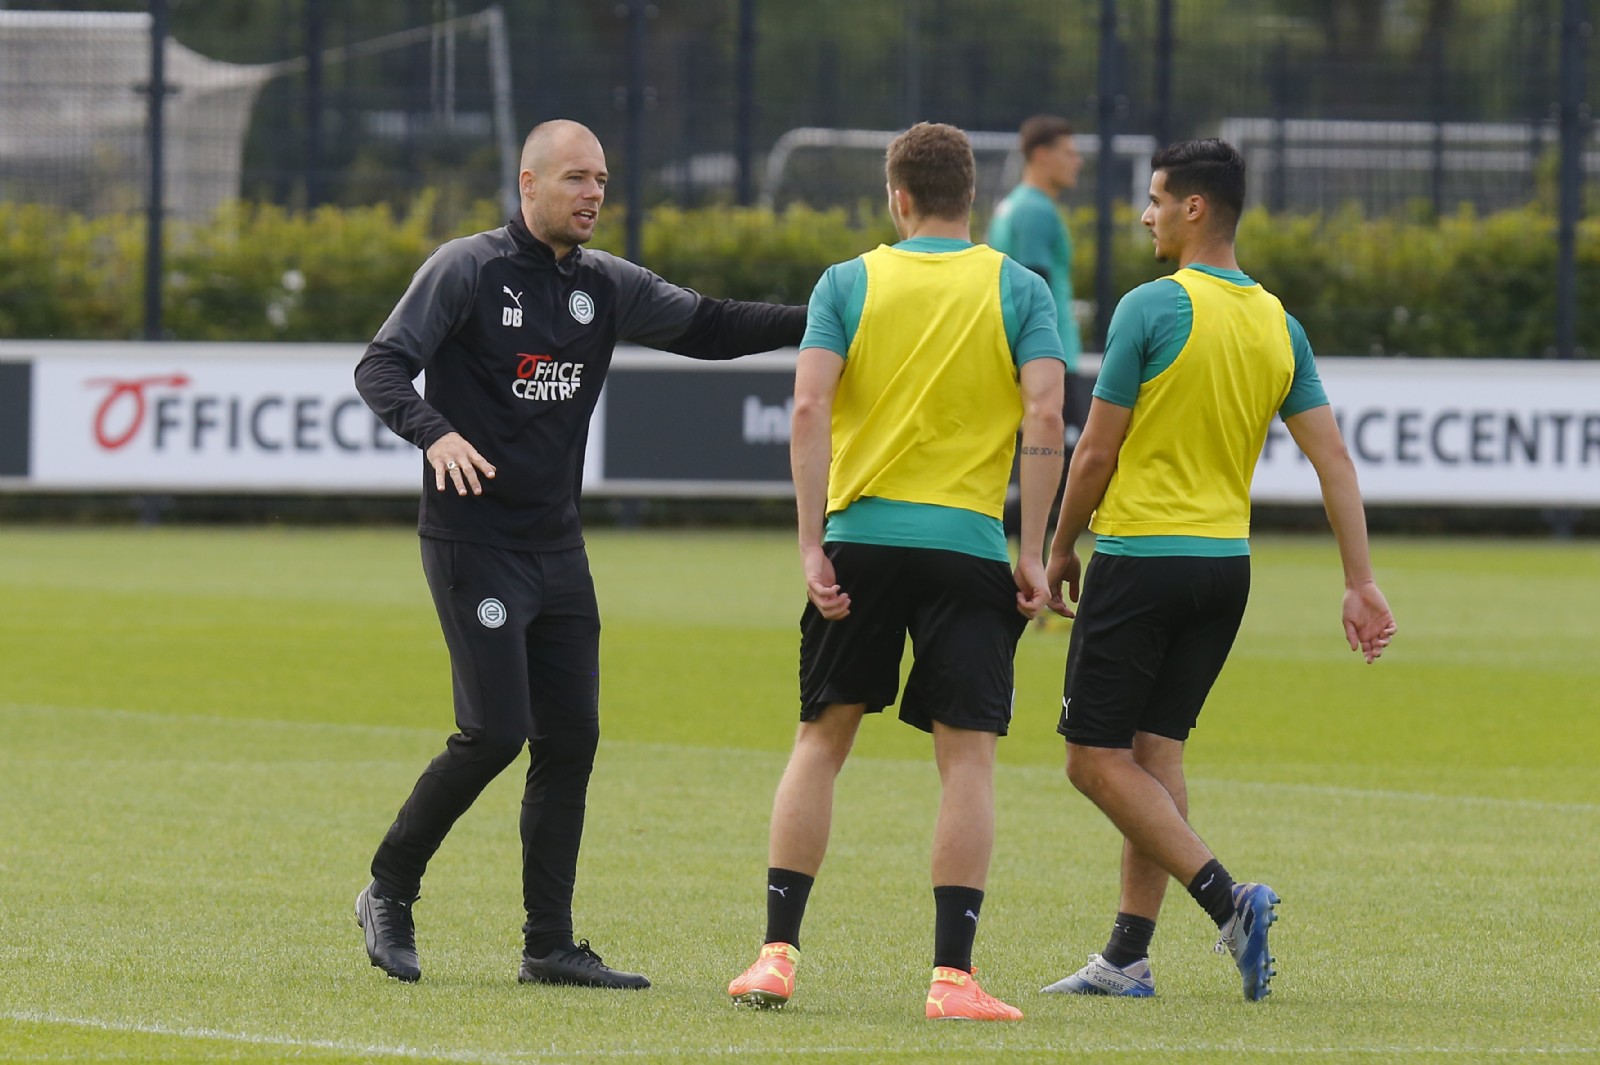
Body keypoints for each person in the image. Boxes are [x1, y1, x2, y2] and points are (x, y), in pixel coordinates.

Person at [352, 119, 806, 989]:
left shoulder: (606, 282)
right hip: (472, 542)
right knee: (493, 733)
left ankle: (549, 944)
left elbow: (711, 325)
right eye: (575, 179)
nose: (593, 193)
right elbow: (381, 366)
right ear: (527, 185)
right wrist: (435, 433)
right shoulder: (466, 269)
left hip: (556, 547)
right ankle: (388, 888)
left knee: (571, 739)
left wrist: (829, 311)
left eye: (601, 178)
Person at [724, 122, 1067, 1021]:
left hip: (860, 542)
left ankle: (775, 957)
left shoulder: (848, 282)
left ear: (897, 198)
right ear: (972, 199)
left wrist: (812, 542)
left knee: (821, 740)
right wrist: (1030, 548)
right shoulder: (1018, 286)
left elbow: (808, 404)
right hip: (965, 545)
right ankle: (952, 980)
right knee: (968, 761)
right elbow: (1045, 408)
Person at [1040, 139, 1396, 1003]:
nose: (1145, 213)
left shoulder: (1151, 308)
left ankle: (1228, 899)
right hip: (1224, 571)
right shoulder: (1280, 322)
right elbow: (1334, 459)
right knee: (1156, 754)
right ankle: (1127, 955)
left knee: (1091, 761)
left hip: (1141, 561)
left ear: (1195, 208)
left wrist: (1057, 545)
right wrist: (1360, 580)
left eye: (1157, 198)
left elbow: (1094, 449)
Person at [987, 115, 1086, 550]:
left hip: (1027, 358)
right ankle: (1015, 544)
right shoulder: (1035, 210)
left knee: (1047, 469)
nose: (1077, 161)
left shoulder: (1011, 205)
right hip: (1047, 358)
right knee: (1068, 470)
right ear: (1041, 155)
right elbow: (1033, 287)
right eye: (1069, 152)